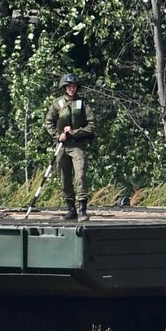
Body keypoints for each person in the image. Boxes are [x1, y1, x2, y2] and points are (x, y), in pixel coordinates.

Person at [44, 72, 96, 220]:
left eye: (73, 86)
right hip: (62, 146)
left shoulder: (82, 104)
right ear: (64, 88)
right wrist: (57, 135)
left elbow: (91, 125)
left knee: (80, 176)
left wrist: (75, 132)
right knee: (64, 177)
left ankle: (82, 210)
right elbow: (49, 122)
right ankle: (71, 209)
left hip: (78, 146)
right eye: (69, 86)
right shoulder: (57, 103)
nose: (71, 89)